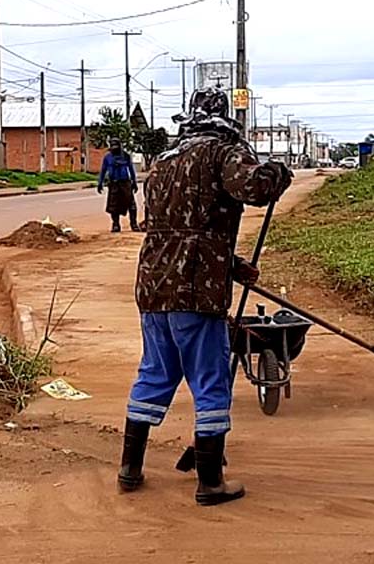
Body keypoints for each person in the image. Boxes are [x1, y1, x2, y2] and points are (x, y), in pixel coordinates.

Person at [117, 87, 293, 506]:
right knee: (211, 379)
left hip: (154, 286)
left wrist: (231, 265)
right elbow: (254, 187)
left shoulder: (164, 160)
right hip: (195, 292)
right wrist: (277, 173)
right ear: (225, 116)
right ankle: (210, 483)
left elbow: (181, 230)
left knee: (155, 374)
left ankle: (129, 469)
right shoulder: (221, 152)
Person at [97, 138, 140, 233]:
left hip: (125, 183)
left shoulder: (126, 156)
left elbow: (131, 169)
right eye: (112, 145)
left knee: (131, 204)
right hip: (113, 183)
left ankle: (134, 224)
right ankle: (116, 224)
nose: (114, 147)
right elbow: (103, 170)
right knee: (113, 206)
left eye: (116, 145)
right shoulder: (108, 157)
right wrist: (100, 183)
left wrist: (134, 182)